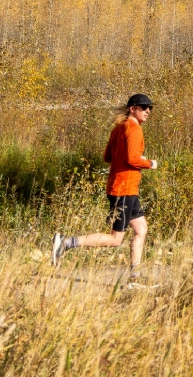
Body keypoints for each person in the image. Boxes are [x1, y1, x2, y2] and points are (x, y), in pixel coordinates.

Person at [52, 93, 158, 276]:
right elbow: (133, 159)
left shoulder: (119, 128)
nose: (147, 111)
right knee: (116, 239)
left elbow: (107, 157)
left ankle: (135, 275)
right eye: (143, 107)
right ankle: (66, 242)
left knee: (141, 228)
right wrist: (149, 163)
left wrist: (126, 160)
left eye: (149, 108)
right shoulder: (133, 129)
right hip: (124, 189)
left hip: (126, 189)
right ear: (132, 109)